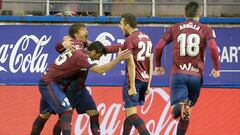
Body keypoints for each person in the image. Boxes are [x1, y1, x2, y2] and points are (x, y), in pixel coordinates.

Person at [30, 40, 131, 135]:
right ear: (93, 52)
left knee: (93, 113)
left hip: (79, 89)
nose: (99, 59)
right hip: (60, 86)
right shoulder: (82, 56)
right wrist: (117, 59)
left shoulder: (81, 46)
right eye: (99, 56)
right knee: (50, 115)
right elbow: (100, 70)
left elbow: (108, 48)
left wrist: (128, 46)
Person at [154, 1, 220, 135]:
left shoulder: (174, 28)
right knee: (186, 113)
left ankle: (181, 106)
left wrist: (158, 65)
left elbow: (159, 47)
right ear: (200, 14)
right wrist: (216, 67)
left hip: (179, 74)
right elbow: (213, 48)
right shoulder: (206, 29)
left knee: (176, 112)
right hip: (196, 77)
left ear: (184, 14)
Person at [119, 13, 153, 135]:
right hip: (144, 80)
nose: (120, 26)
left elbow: (131, 64)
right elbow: (150, 63)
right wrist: (148, 85)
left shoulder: (130, 39)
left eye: (121, 24)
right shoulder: (147, 38)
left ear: (127, 25)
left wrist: (132, 85)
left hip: (134, 80)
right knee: (129, 113)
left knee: (131, 114)